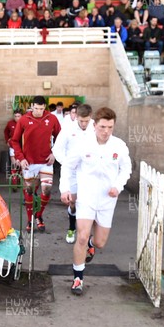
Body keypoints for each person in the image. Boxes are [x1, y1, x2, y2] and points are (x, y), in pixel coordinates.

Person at [60, 107, 131, 295]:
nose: (106, 131)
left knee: (99, 243)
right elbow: (68, 166)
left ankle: (91, 246)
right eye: (102, 127)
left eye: (110, 127)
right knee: (81, 237)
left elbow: (126, 169)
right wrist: (65, 189)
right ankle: (77, 278)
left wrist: (118, 185)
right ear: (95, 125)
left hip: (108, 200)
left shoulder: (119, 146)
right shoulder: (83, 144)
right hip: (86, 197)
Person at [11, 96, 61, 232]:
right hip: (29, 162)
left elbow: (61, 138)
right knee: (29, 191)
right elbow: (14, 141)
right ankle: (29, 220)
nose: (38, 111)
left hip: (46, 161)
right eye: (36, 108)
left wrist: (55, 153)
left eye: (41, 108)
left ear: (44, 107)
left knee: (47, 190)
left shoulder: (52, 119)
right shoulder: (24, 119)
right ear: (31, 106)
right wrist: (21, 158)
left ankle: (38, 216)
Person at [53, 104, 95, 245]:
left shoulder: (96, 128)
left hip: (90, 172)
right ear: (76, 117)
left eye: (87, 121)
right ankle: (71, 228)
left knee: (90, 203)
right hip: (72, 172)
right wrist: (67, 163)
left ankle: (86, 233)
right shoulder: (68, 129)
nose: (84, 124)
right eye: (81, 121)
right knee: (73, 203)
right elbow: (57, 149)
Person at [4, 109, 22, 180]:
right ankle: (14, 179)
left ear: (22, 116)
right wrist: (7, 140)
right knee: (14, 163)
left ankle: (20, 178)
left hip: (22, 147)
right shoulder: (10, 123)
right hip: (13, 146)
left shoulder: (24, 123)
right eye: (15, 116)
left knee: (21, 163)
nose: (17, 118)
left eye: (18, 116)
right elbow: (6, 132)